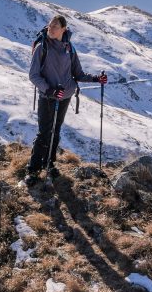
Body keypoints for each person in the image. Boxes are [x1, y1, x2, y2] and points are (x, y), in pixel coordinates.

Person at [25, 15, 107, 184]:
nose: (51, 28)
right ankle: (32, 170)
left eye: (55, 26)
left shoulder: (70, 48)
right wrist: (50, 90)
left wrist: (96, 79)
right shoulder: (42, 47)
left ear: (64, 29)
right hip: (48, 96)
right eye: (49, 26)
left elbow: (78, 74)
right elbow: (33, 76)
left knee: (56, 131)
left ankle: (50, 164)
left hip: (65, 97)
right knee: (44, 133)